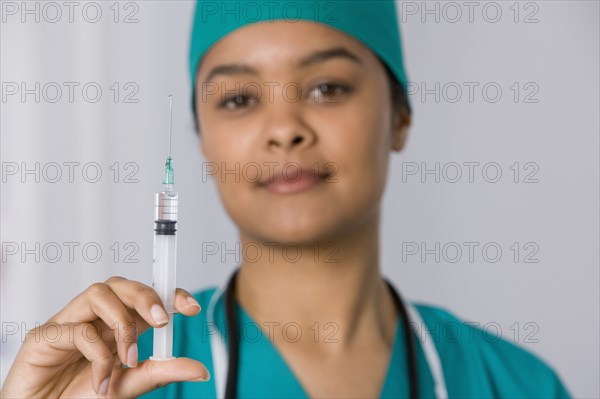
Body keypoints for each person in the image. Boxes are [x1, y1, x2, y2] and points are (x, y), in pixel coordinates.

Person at [1, 1, 572, 398]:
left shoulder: (516, 385)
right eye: (240, 98)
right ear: (202, 139)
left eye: (327, 88)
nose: (283, 129)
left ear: (400, 116)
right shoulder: (125, 374)